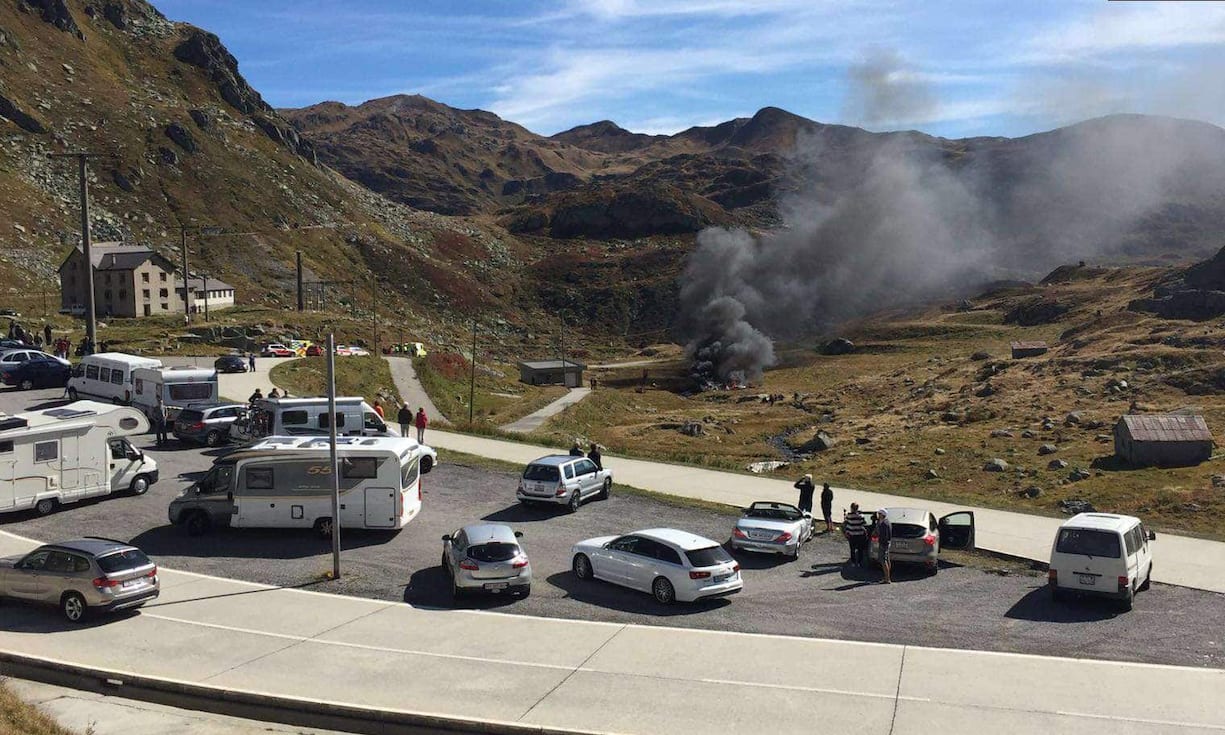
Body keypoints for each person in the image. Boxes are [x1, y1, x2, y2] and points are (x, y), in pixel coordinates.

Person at [877, 510, 892, 583]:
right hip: (887, 543)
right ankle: (887, 576)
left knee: (883, 560)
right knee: (887, 559)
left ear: (882, 515)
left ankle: (887, 578)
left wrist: (882, 543)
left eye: (879, 514)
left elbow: (884, 535)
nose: (878, 515)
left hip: (884, 544)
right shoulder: (888, 522)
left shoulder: (884, 524)